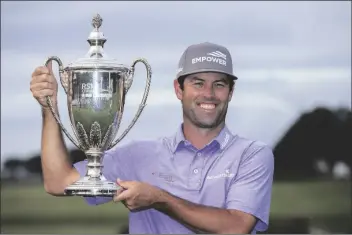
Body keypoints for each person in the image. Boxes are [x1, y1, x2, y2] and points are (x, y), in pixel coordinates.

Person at [30, 42, 274, 234]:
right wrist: (49, 109)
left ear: (231, 92)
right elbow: (58, 181)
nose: (208, 94)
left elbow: (235, 227)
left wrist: (159, 199)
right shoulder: (138, 156)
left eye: (219, 84)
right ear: (179, 90)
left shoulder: (252, 154)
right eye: (198, 83)